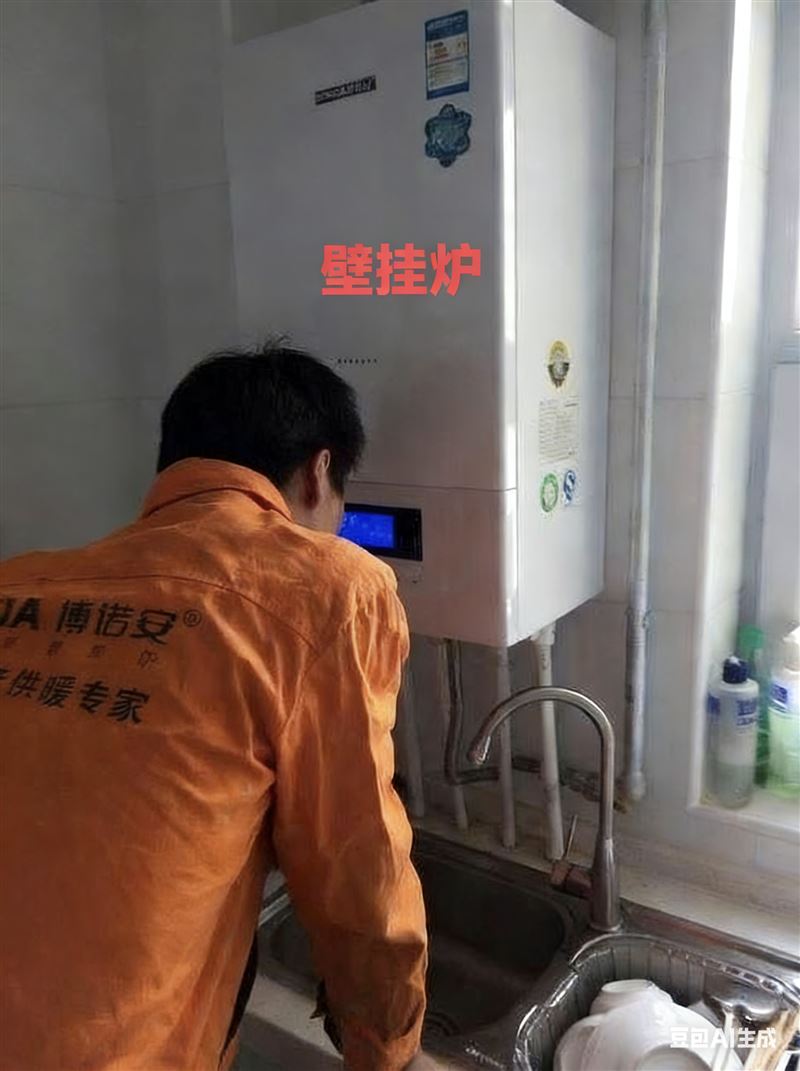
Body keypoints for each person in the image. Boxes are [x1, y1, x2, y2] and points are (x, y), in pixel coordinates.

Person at [0, 343, 433, 1071]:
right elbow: (359, 877)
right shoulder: (331, 589)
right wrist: (386, 1046)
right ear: (319, 471)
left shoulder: (19, 585)